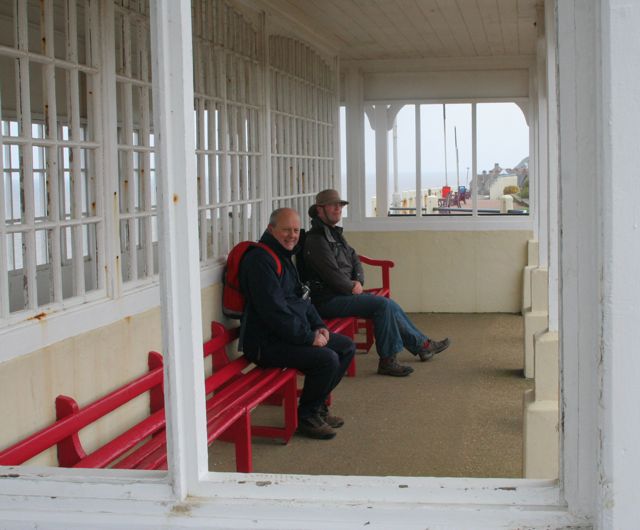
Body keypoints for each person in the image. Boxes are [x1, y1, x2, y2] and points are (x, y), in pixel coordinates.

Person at [302, 189, 450, 377]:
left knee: (389, 305)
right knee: (382, 305)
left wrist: (358, 281)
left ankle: (423, 346)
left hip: (342, 293)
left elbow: (354, 257)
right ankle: (388, 360)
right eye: (332, 205)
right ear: (319, 210)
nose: (338, 209)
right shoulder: (316, 240)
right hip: (327, 300)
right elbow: (331, 275)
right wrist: (351, 287)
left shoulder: (333, 233)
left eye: (340, 205)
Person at [239, 207, 355, 440]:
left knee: (344, 347)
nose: (292, 235)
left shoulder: (282, 256)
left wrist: (319, 326)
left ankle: (318, 406)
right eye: (286, 230)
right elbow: (274, 312)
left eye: (295, 230)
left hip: (286, 336)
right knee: (326, 359)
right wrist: (308, 337)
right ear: (271, 229)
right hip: (265, 344)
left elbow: (302, 299)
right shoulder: (260, 261)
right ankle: (307, 417)